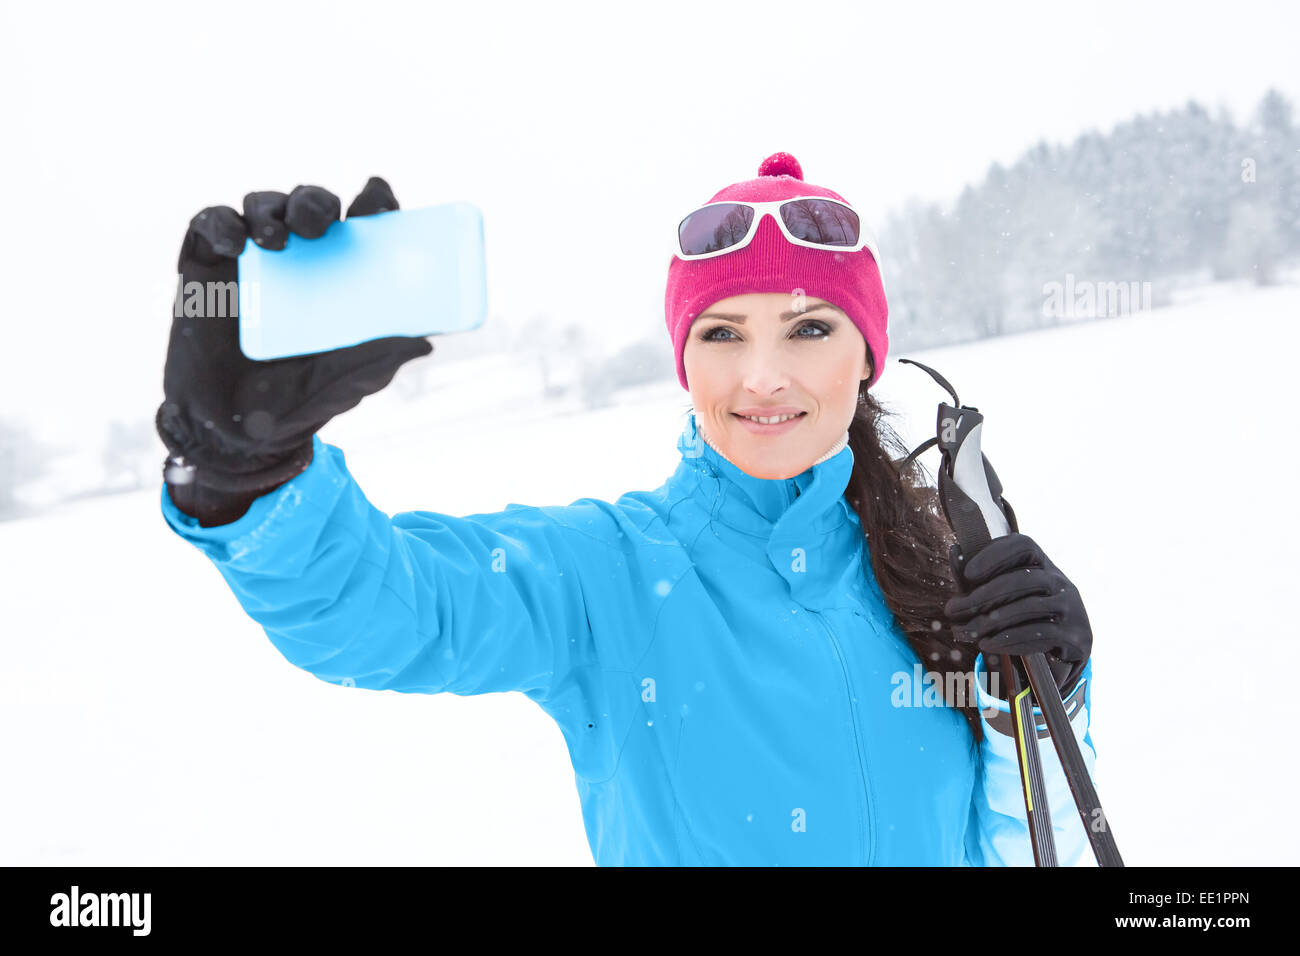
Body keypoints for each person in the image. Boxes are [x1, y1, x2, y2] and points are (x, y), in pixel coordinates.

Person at [156, 154, 1099, 866]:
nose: (762, 377)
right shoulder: (607, 572)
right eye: (723, 334)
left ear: (866, 357)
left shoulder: (937, 578)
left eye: (810, 327)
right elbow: (393, 610)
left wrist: (1050, 693)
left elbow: (1018, 850)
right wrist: (252, 477)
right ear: (686, 365)